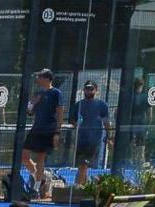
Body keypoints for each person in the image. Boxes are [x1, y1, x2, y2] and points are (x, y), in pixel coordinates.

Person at [20, 69, 64, 203]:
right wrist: (32, 102)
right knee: (24, 156)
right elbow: (29, 112)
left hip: (48, 130)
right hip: (36, 129)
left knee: (40, 158)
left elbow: (60, 111)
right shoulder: (38, 93)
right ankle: (40, 177)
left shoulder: (56, 93)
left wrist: (57, 132)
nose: (37, 78)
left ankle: (36, 187)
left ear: (47, 78)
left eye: (40, 76)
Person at [73, 80, 111, 186]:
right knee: (83, 164)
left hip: (95, 139)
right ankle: (82, 186)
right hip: (81, 139)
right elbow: (73, 120)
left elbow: (106, 122)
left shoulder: (102, 105)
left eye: (91, 89)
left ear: (96, 90)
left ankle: (79, 186)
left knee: (85, 164)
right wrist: (77, 126)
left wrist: (109, 137)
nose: (89, 91)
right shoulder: (79, 105)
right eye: (87, 89)